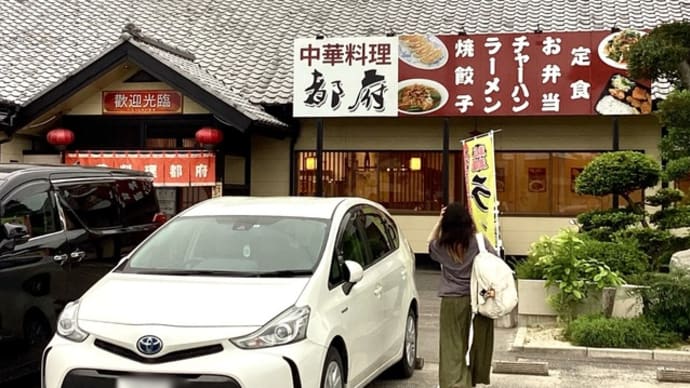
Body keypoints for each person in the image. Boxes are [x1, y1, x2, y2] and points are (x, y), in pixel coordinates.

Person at [427, 202, 497, 388]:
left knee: (452, 345)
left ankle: (455, 383)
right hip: (479, 299)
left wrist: (439, 221)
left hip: (451, 301)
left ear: (446, 224)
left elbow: (429, 241)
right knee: (477, 342)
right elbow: (496, 261)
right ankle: (474, 379)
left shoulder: (441, 246)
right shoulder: (479, 242)